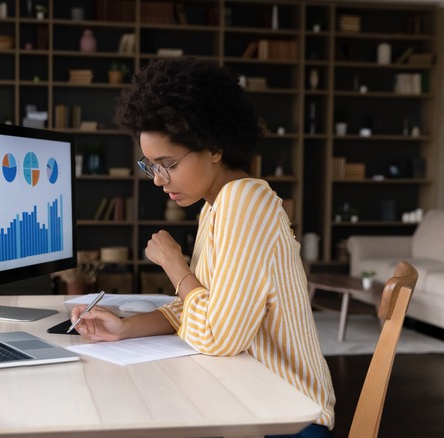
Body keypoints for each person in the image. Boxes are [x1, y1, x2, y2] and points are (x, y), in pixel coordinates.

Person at [69, 57, 335, 437]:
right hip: (251, 401)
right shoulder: (216, 205)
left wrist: (175, 265)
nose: (159, 180)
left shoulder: (243, 202)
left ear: (213, 147)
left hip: (289, 417)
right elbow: (197, 309)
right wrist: (124, 329)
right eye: (151, 166)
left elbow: (217, 336)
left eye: (168, 164)